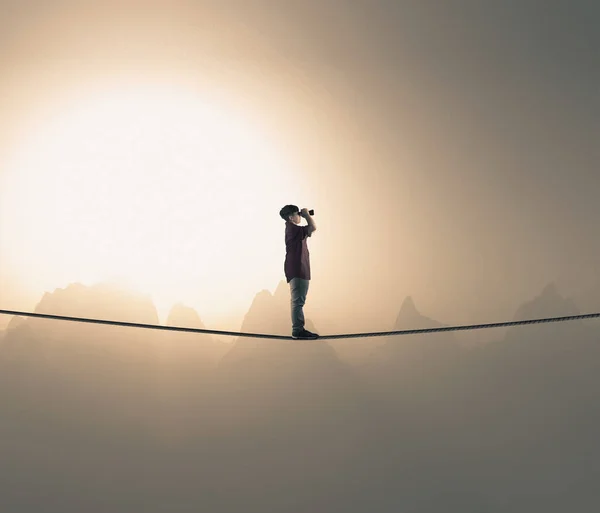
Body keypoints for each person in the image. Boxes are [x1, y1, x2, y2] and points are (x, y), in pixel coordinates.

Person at [279, 204, 319, 339]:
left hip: (297, 267)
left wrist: (304, 215)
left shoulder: (292, 229)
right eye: (297, 214)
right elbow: (313, 227)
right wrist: (307, 215)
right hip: (298, 268)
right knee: (298, 301)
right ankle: (298, 330)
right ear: (291, 217)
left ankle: (298, 329)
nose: (299, 216)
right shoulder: (292, 228)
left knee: (297, 301)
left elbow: (309, 230)